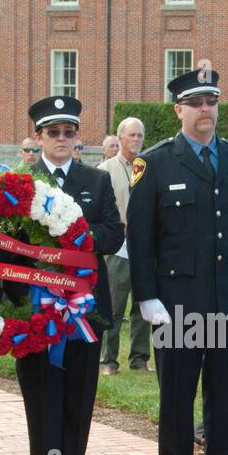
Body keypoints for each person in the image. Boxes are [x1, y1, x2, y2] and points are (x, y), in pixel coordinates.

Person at [127, 67, 228, 455]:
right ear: (179, 109)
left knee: (225, 394)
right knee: (177, 397)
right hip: (177, 305)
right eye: (196, 103)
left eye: (212, 101)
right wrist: (148, 297)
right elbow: (142, 238)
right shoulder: (154, 162)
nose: (206, 110)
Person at [20, 96, 124, 455]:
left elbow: (113, 235)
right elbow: (7, 243)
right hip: (38, 309)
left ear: (78, 137)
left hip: (84, 310)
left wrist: (71, 236)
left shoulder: (95, 181)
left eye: (69, 132)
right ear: (39, 137)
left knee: (79, 399)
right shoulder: (20, 183)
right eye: (53, 132)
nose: (62, 139)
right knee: (42, 400)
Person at [97, 117, 151, 376]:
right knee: (115, 305)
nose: (137, 140)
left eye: (140, 135)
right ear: (120, 139)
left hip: (145, 245)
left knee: (143, 303)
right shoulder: (105, 170)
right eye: (132, 135)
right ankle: (108, 360)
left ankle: (139, 358)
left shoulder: (148, 168)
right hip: (119, 246)